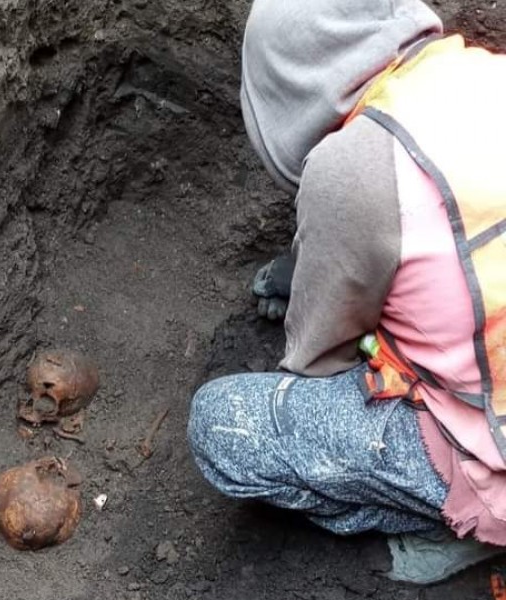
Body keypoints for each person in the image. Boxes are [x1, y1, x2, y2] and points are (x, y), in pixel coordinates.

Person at [187, 0, 506, 585]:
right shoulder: (485, 71)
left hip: (496, 449)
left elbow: (319, 362)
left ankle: (459, 522)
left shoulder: (354, 166)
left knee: (222, 425)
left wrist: (328, 296)